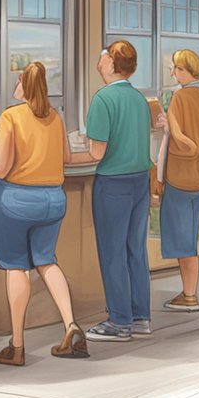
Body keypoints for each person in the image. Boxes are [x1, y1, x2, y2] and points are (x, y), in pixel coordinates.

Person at [0, 63, 87, 366]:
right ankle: (71, 326)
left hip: (14, 202)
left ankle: (17, 345)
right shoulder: (55, 117)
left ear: (24, 85)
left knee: (16, 267)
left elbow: (1, 167)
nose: (15, 82)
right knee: (46, 260)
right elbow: (65, 158)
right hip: (53, 201)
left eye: (18, 79)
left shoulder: (11, 116)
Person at [71, 41, 154, 343]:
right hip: (139, 180)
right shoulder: (138, 98)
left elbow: (96, 153)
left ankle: (119, 322)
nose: (99, 59)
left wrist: (63, 157)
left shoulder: (103, 99)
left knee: (112, 252)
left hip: (113, 183)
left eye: (102, 55)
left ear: (110, 63)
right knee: (135, 250)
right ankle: (140, 316)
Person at [154, 50, 199, 312]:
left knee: (181, 241)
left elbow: (179, 135)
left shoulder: (179, 97)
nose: (172, 73)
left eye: (175, 69)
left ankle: (189, 296)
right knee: (190, 237)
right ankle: (190, 293)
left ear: (184, 70)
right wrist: (197, 145)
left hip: (179, 175)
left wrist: (169, 126)